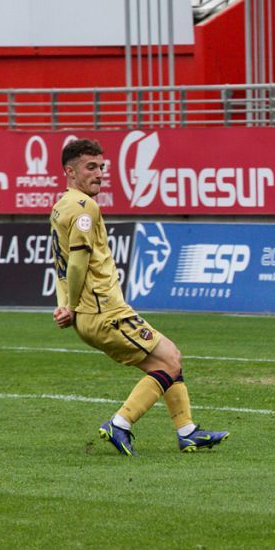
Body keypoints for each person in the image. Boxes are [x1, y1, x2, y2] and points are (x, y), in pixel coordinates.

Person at [50, 139, 228, 456]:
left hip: (92, 314)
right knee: (171, 358)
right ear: (70, 171)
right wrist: (74, 306)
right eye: (91, 167)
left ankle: (187, 431)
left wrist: (65, 305)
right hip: (105, 312)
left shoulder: (60, 206)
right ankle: (121, 423)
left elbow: (59, 266)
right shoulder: (84, 208)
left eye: (101, 167)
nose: (99, 174)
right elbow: (76, 264)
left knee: (165, 362)